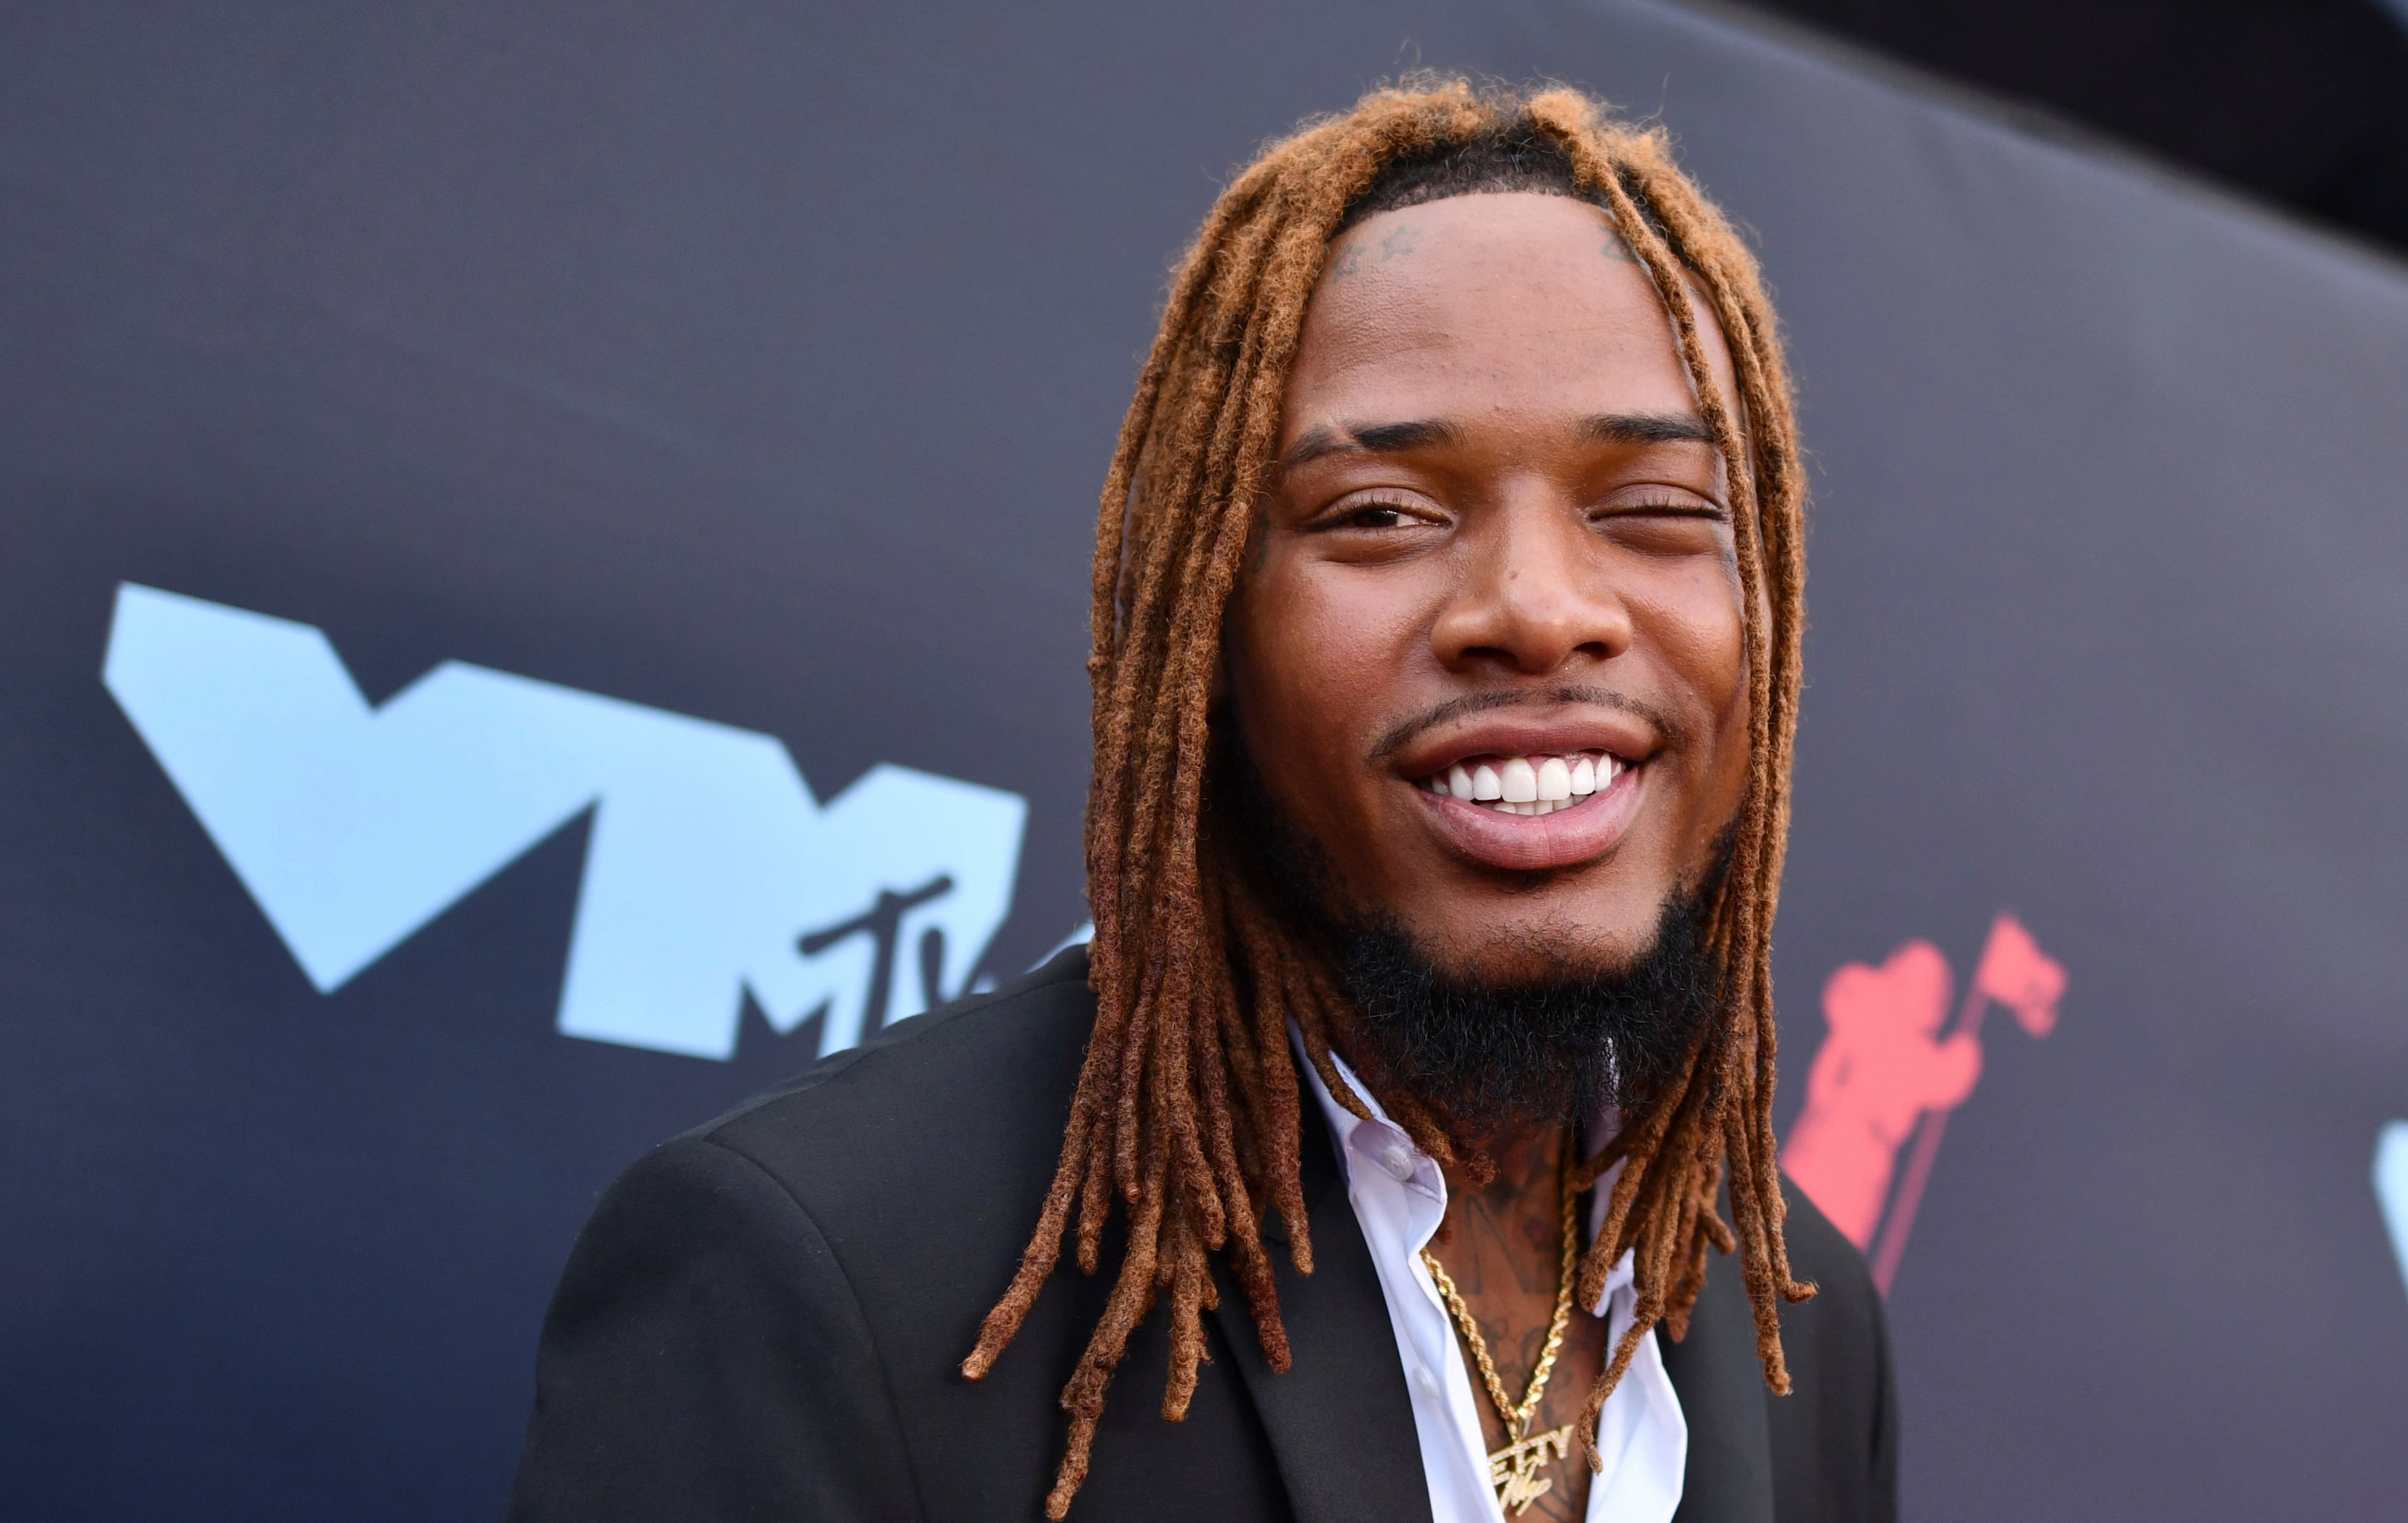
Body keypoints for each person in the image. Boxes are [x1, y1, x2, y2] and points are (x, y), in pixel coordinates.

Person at [504, 77, 1897, 1523]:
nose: (1541, 612)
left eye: (1657, 509)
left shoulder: (1804, 1320)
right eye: (1383, 516)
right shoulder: (822, 1280)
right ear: (1208, 631)